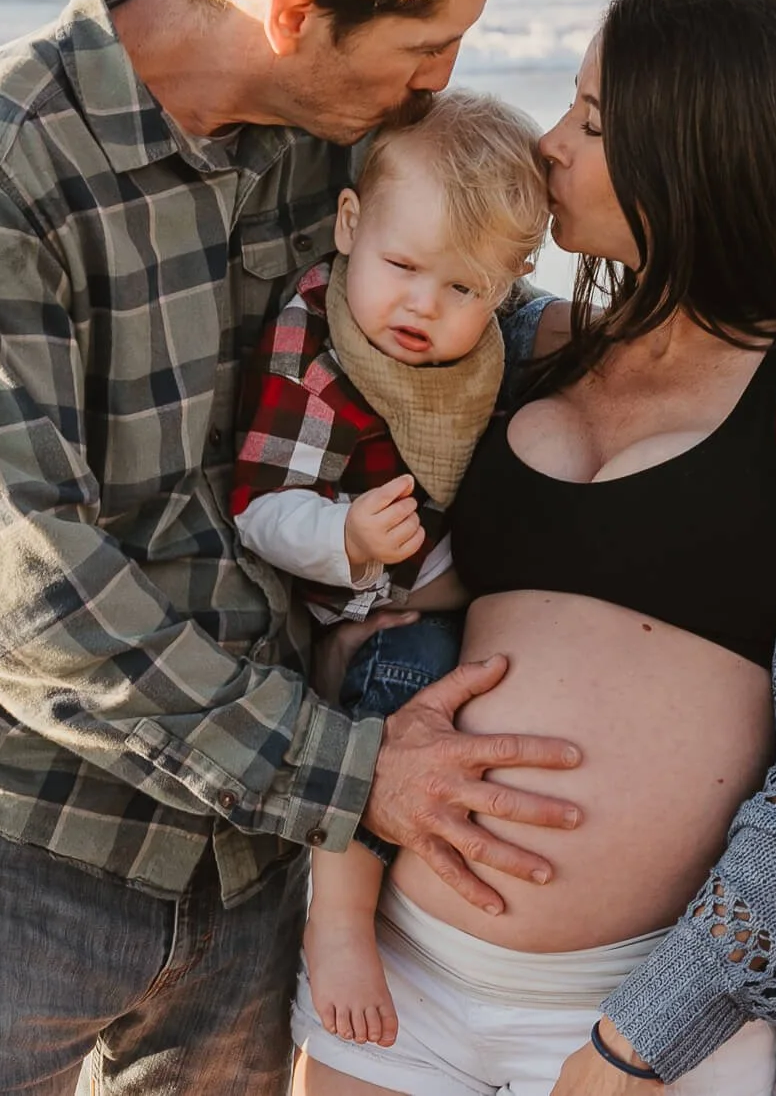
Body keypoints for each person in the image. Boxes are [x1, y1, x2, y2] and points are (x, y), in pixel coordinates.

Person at [0, 0, 590, 1096]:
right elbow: (30, 593)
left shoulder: (343, 142)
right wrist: (357, 772)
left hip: (253, 851)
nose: (440, 82)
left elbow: (477, 314)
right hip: (11, 822)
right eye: (425, 46)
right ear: (292, 10)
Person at [292, 0, 776, 1096]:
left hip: (650, 1023)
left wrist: (639, 1040)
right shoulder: (507, 345)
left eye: (593, 120)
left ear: (695, 155)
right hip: (393, 983)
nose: (549, 143)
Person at [230, 90, 552, 1047]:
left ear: (506, 289)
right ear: (349, 224)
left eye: (463, 290)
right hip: (372, 595)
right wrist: (345, 538)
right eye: (402, 267)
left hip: (450, 576)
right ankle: (338, 920)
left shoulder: (484, 352)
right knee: (402, 689)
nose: (422, 305)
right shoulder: (318, 346)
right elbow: (258, 510)